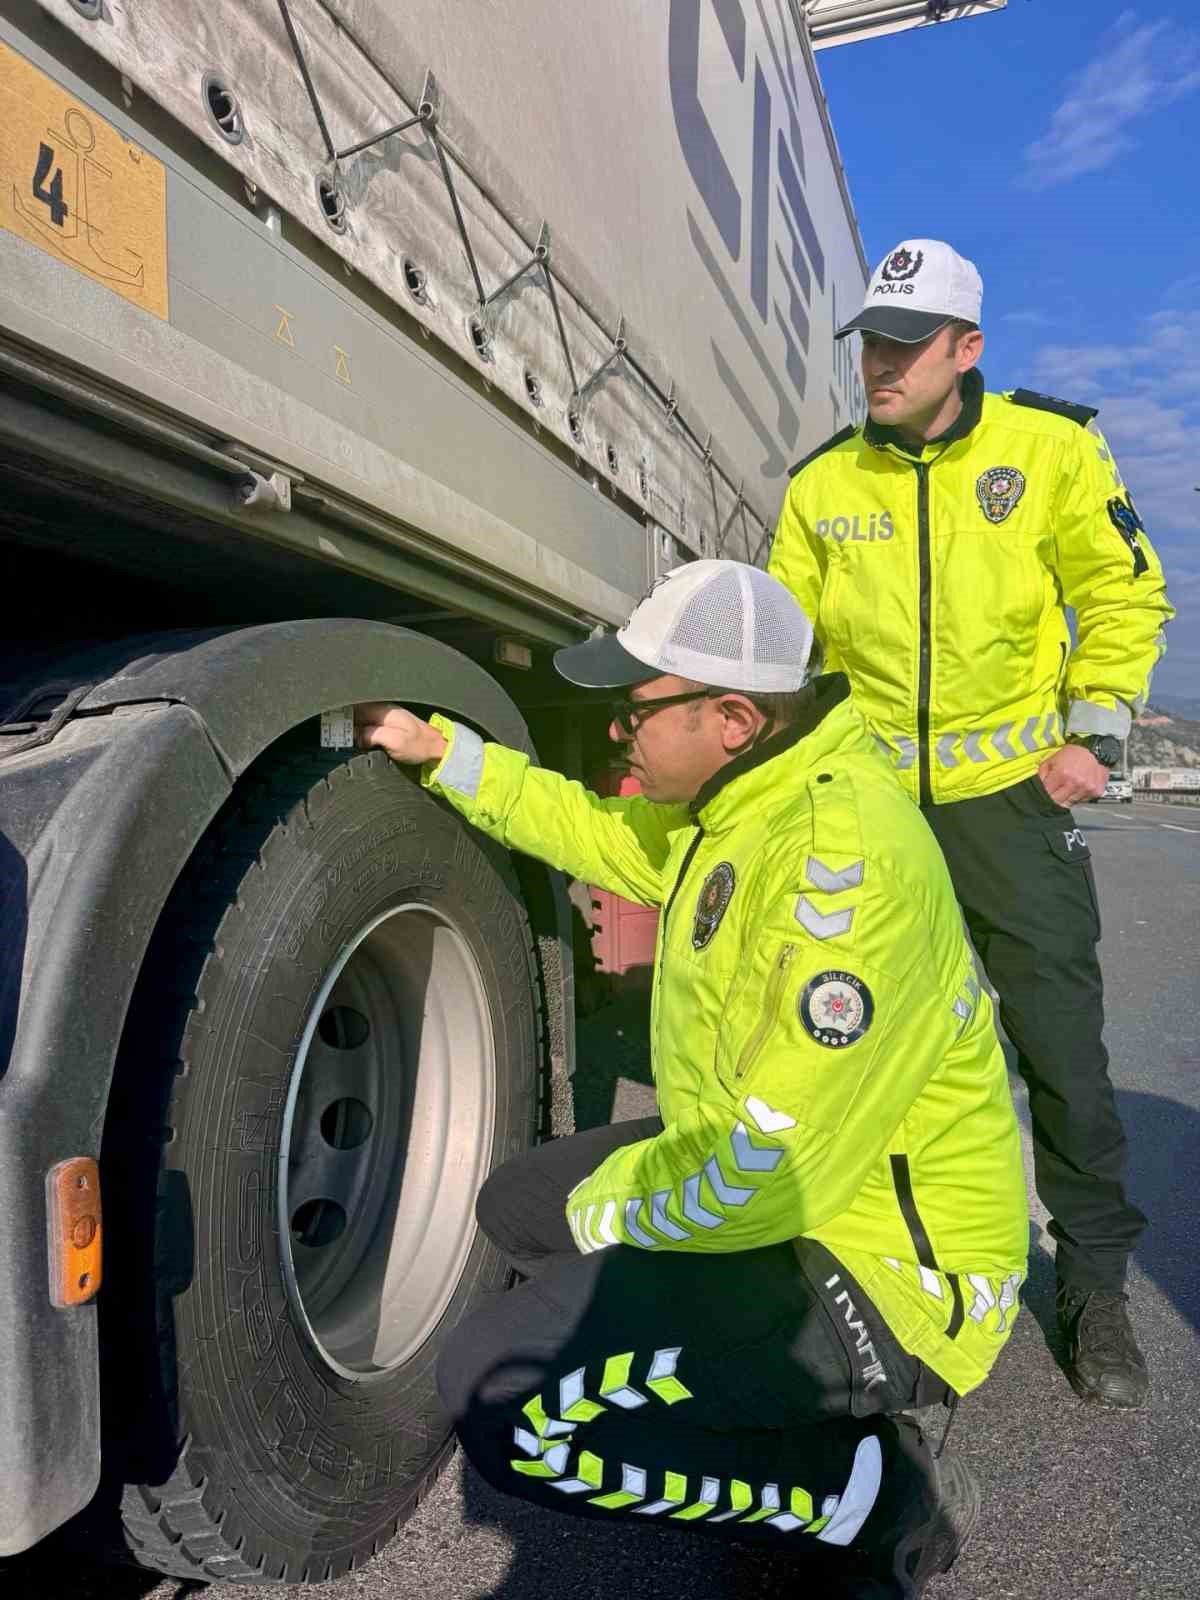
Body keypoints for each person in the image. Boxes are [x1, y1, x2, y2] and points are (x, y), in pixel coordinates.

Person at [356, 560, 1027, 1598]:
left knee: (508, 1412)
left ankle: (873, 1494)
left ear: (730, 717)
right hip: (793, 1185)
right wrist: (448, 754)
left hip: (887, 1262)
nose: (621, 733)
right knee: (518, 1203)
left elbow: (769, 1169)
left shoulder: (840, 877)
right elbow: (601, 833)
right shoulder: (743, 805)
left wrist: (611, 1212)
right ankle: (733, 1395)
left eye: (635, 710)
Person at [769, 239, 1175, 1410]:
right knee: (851, 1038)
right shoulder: (823, 486)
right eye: (871, 343)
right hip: (879, 814)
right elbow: (787, 648)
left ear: (968, 347)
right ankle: (864, 1262)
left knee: (1058, 1047)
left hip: (1012, 804)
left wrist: (1092, 739)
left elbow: (1121, 589)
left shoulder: (1050, 450)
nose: (879, 364)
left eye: (905, 343)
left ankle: (1092, 1285)